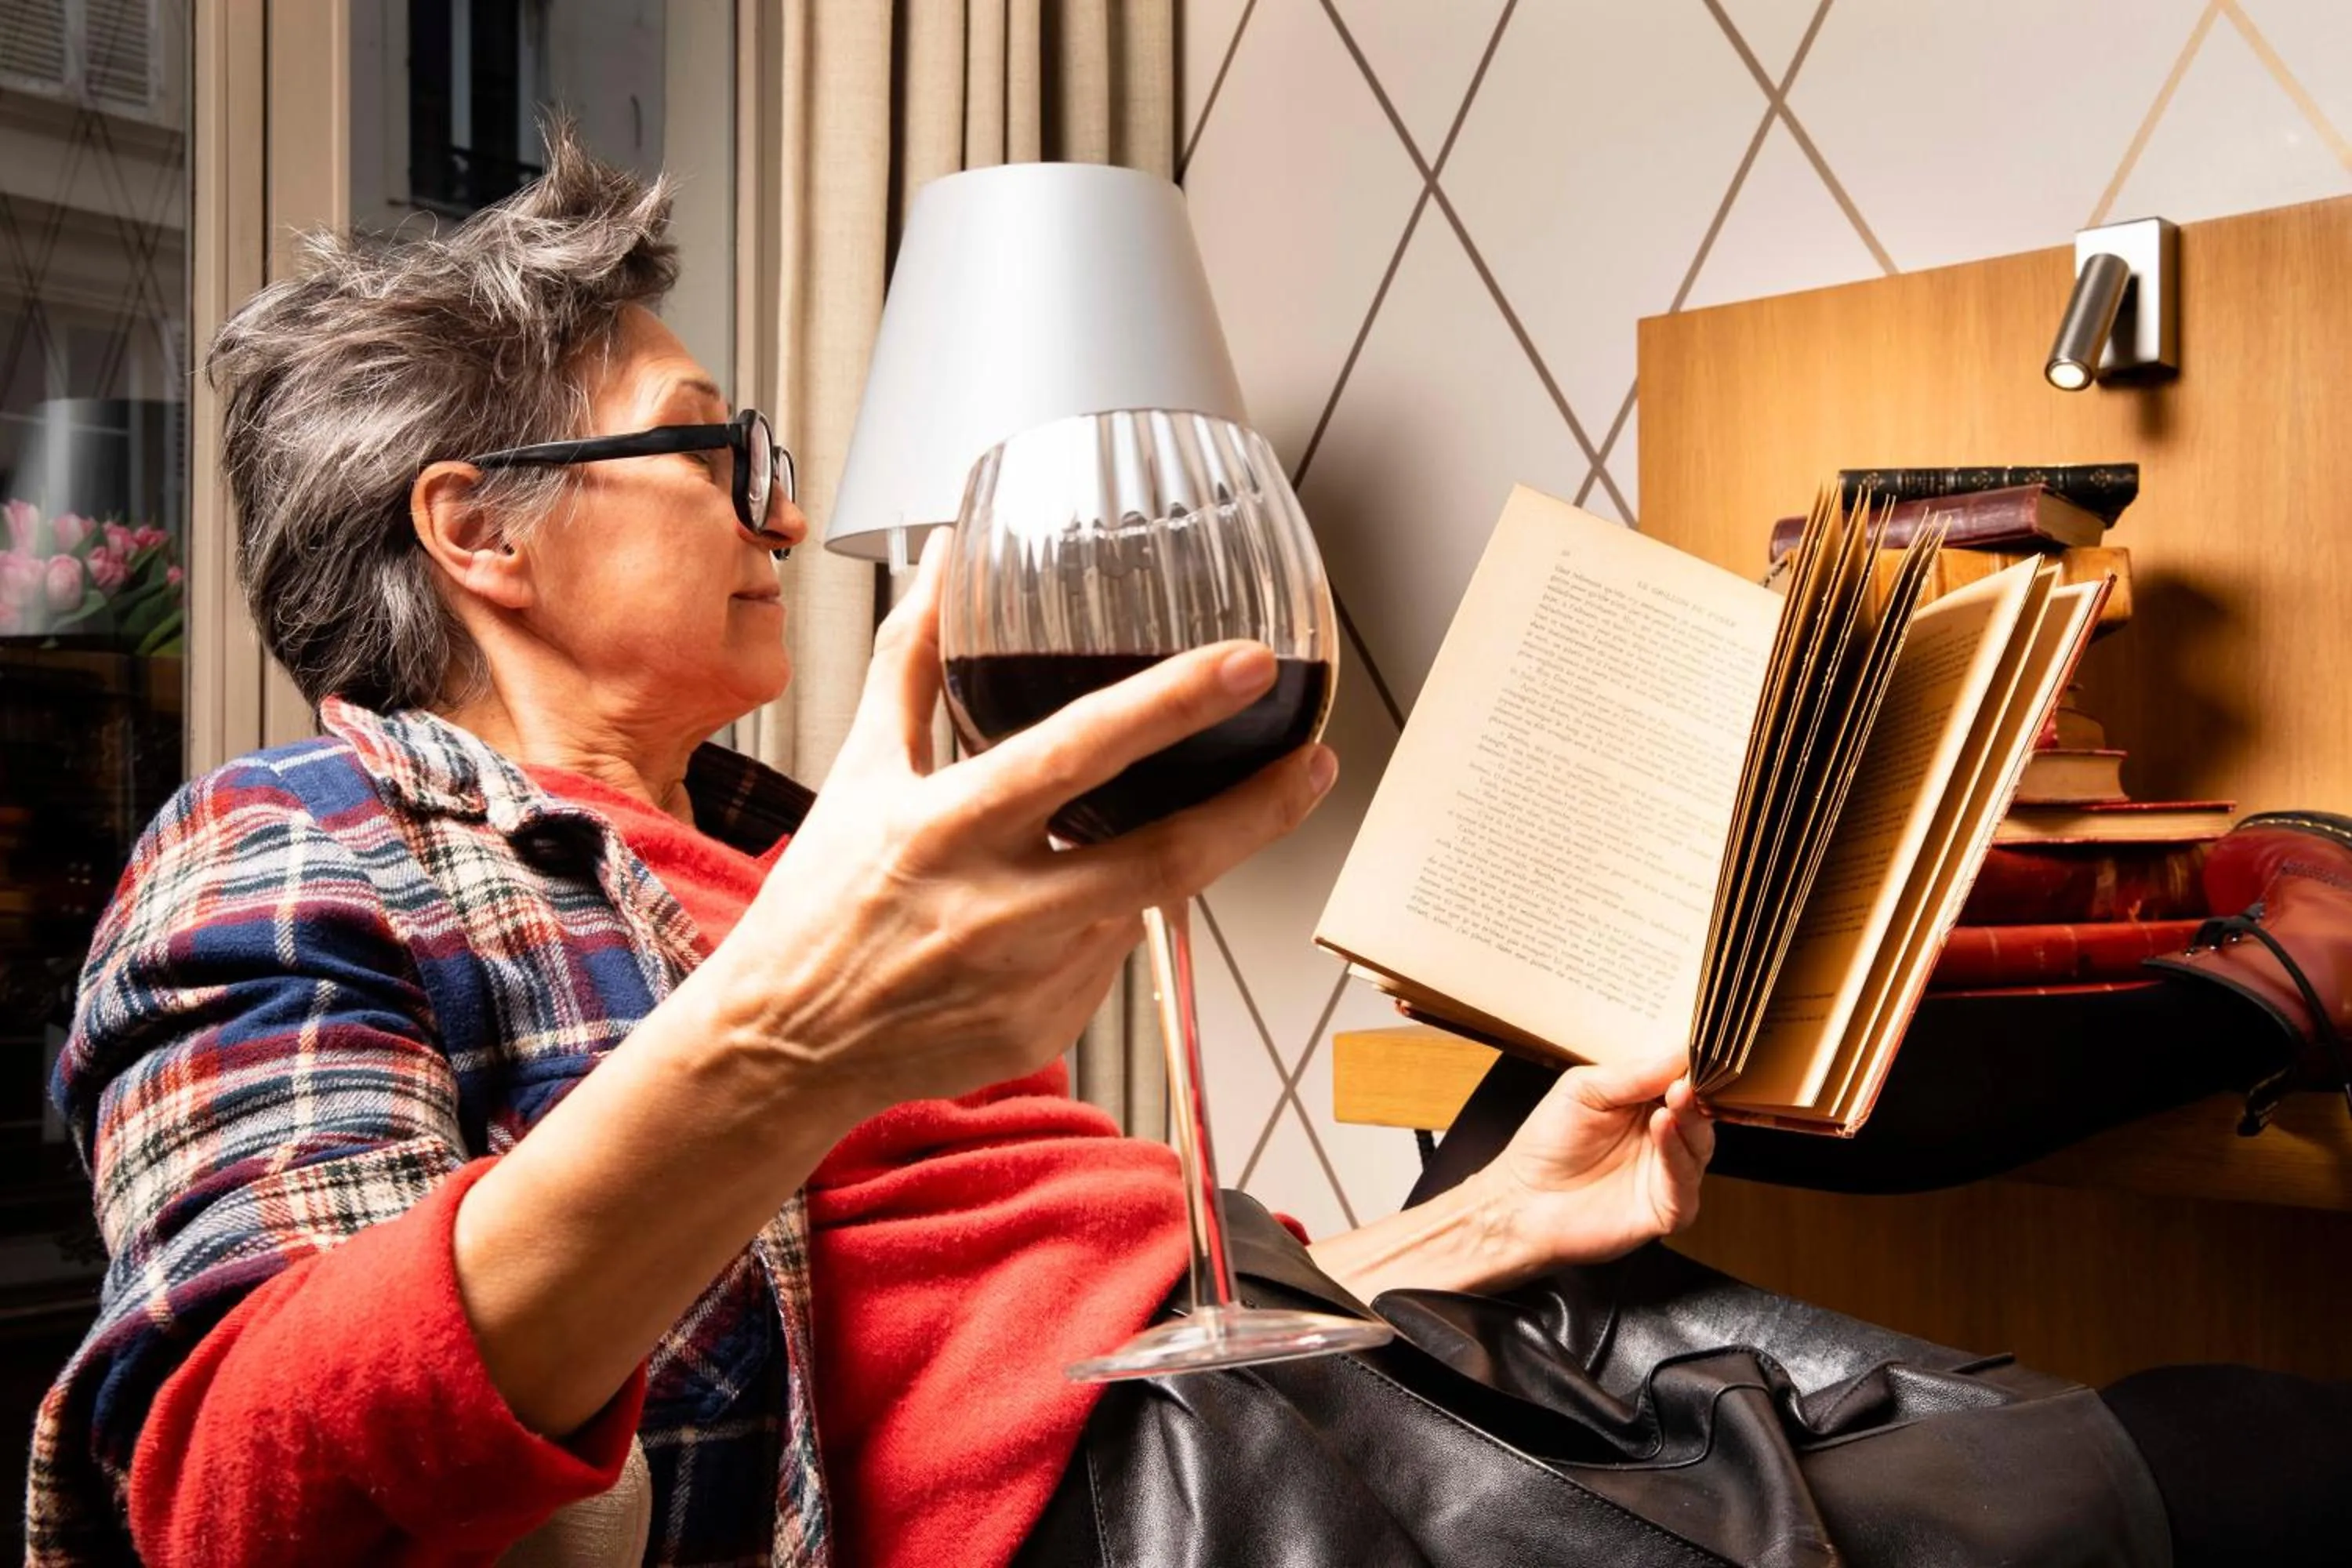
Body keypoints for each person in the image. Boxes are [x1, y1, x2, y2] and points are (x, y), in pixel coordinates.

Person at [24, 129, 2350, 1568]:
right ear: (481, 535)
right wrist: (777, 1055)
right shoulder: (300, 844)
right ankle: (2275, 993)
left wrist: (1458, 1227)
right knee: (2233, 1471)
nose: (797, 512)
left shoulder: (796, 835)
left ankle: (2256, 987)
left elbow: (1066, 1308)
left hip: (1280, 1386)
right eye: (714, 449)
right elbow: (234, 1488)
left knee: (2165, 1427)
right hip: (1170, 1512)